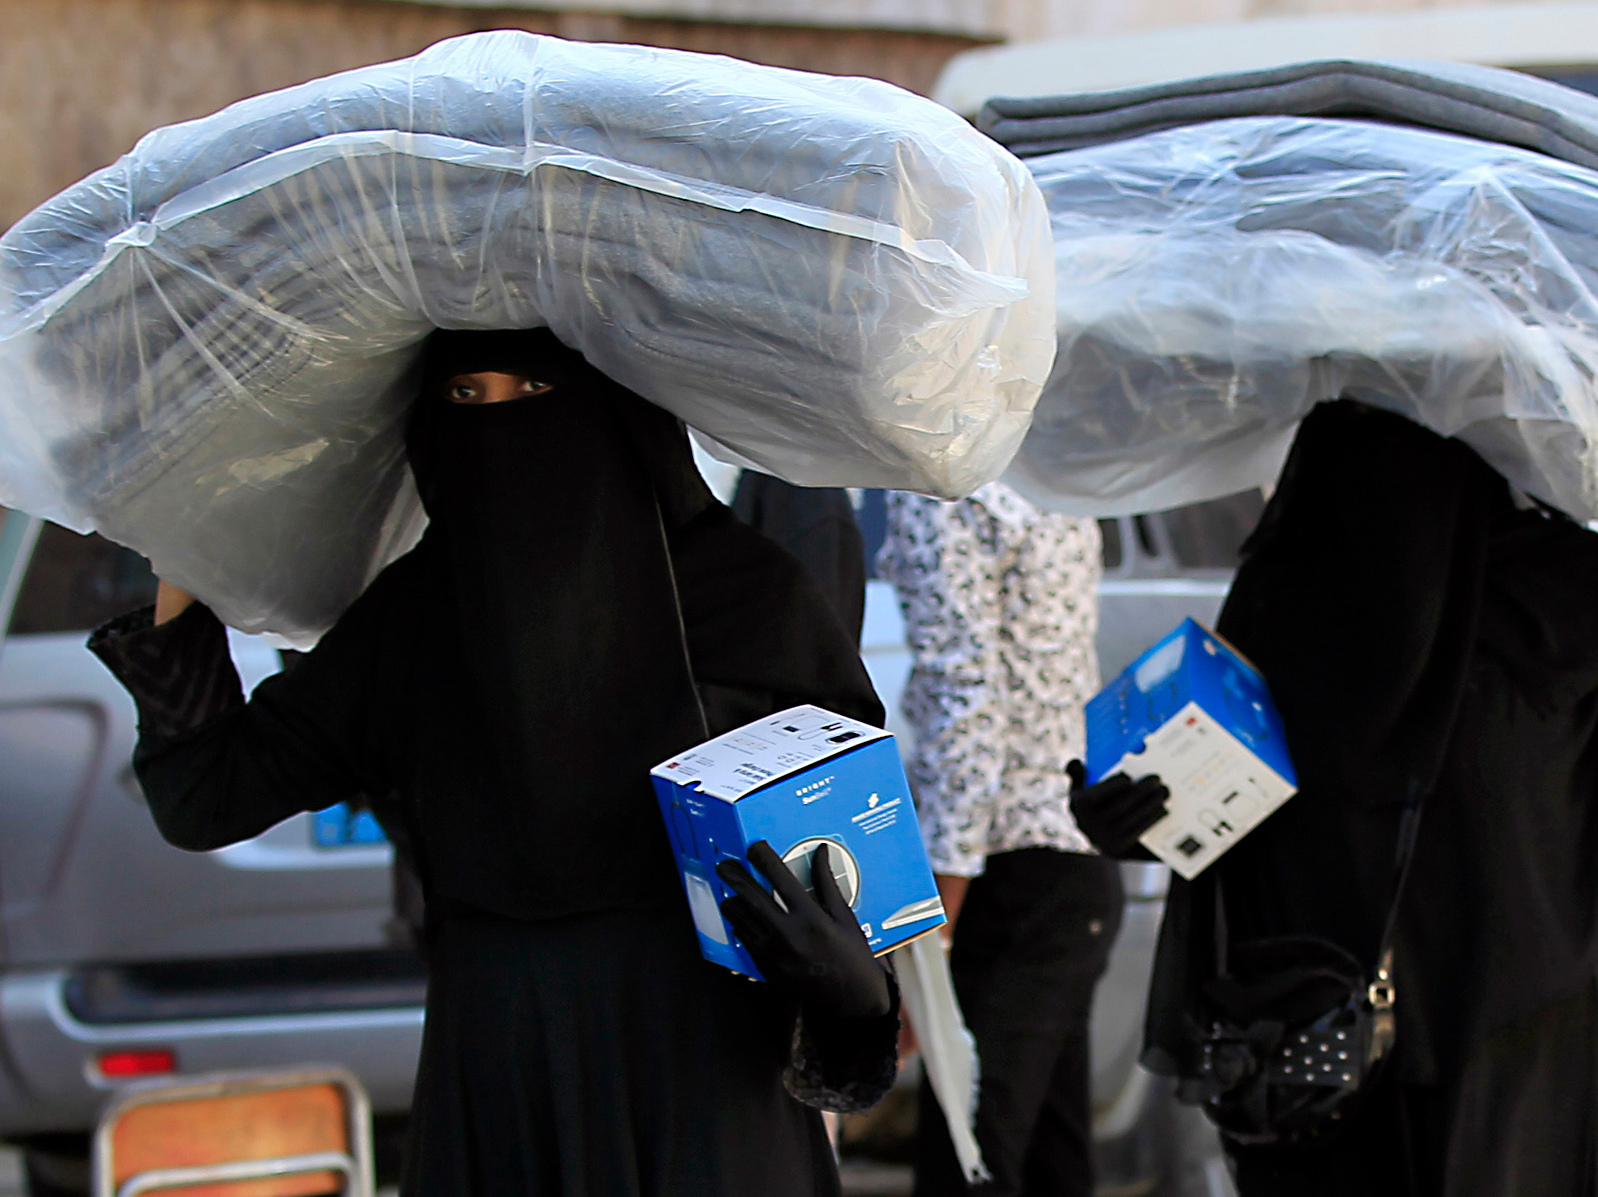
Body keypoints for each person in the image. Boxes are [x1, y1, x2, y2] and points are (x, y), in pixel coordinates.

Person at [87, 328, 903, 1197]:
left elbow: (850, 874)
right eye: (466, 399)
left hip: (702, 1078)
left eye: (532, 389)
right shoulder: (415, 619)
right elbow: (206, 794)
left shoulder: (746, 602)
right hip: (499, 1082)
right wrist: (176, 536)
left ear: (611, 405)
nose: (499, 425)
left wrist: (853, 997)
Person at [1075, 399, 1598, 1196]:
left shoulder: (1552, 601)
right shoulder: (1302, 596)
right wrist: (1135, 813)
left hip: (1457, 1043)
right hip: (1359, 1057)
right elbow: (1225, 792)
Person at [876, 481, 1124, 1197]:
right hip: (1073, 855)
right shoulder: (1050, 470)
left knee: (969, 1161)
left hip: (1007, 870)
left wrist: (935, 930)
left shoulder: (944, 492)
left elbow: (967, 708)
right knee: (1051, 1157)